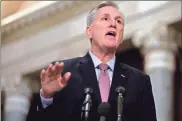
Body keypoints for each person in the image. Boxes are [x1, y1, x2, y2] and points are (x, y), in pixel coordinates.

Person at [26, 1, 157, 121]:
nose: (113, 24)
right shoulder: (63, 72)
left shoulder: (140, 81)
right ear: (89, 31)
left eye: (119, 21)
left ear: (121, 37)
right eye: (105, 19)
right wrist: (46, 97)